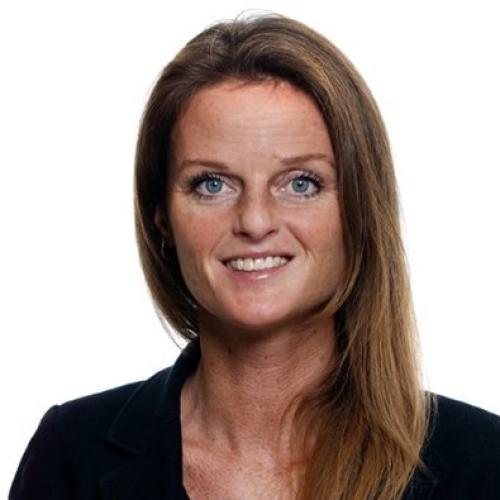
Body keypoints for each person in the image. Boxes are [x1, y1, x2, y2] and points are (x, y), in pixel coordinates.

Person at [9, 13, 500, 500]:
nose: (255, 221)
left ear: (359, 209)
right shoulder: (70, 453)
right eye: (212, 184)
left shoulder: (482, 464)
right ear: (162, 216)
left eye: (301, 183)